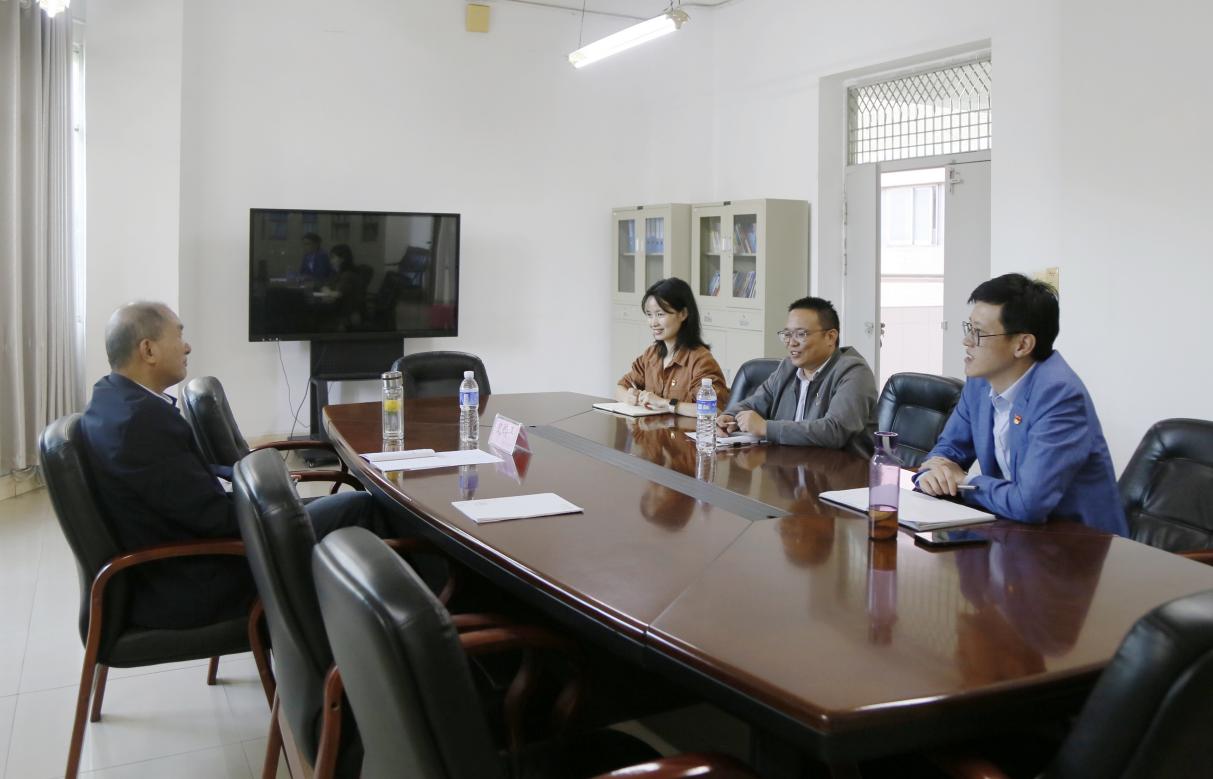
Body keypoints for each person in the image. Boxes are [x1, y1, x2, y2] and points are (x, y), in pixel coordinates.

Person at [79, 302, 392, 629]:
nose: (187, 346)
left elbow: (186, 485)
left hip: (178, 562)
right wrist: (270, 497)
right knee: (362, 508)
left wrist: (252, 483)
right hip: (201, 578)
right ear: (148, 350)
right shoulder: (142, 424)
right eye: (179, 335)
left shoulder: (112, 400)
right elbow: (218, 521)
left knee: (335, 505)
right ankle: (395, 632)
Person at [916, 274, 1127, 535]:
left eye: (979, 332)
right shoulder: (980, 383)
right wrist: (934, 471)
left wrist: (965, 481)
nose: (967, 341)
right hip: (1014, 532)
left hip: (1076, 544)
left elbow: (1029, 503)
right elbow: (947, 450)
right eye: (969, 328)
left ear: (1022, 344)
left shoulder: (1059, 396)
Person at [717, 296, 877, 456]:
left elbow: (835, 431)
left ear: (830, 337)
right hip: (788, 465)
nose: (791, 342)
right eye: (787, 334)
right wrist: (730, 417)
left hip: (838, 468)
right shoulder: (787, 368)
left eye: (801, 334)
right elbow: (754, 404)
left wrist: (766, 428)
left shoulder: (854, 372)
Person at [616, 277, 729, 416]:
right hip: (654, 429)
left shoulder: (701, 360)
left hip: (685, 431)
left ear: (683, 314)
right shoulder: (651, 354)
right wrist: (628, 397)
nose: (653, 323)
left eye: (660, 314)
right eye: (649, 315)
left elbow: (714, 409)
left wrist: (665, 403)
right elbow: (620, 387)